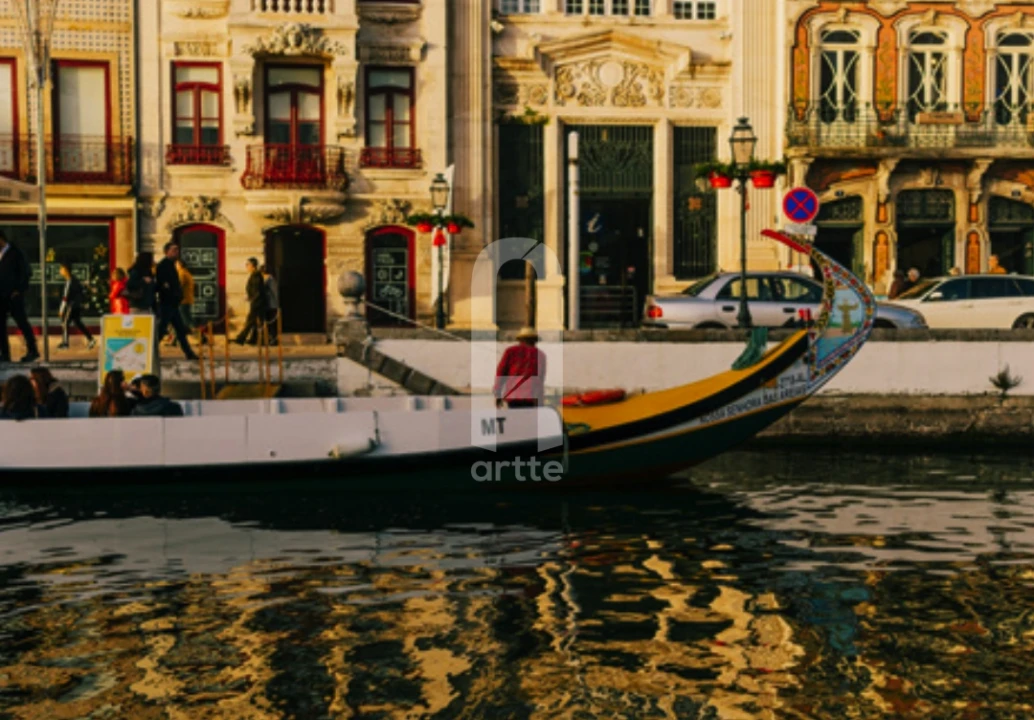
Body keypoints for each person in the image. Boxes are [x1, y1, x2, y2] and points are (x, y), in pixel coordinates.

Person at [0, 230, 41, 363]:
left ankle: (33, 350)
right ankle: (5, 354)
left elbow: (26, 272)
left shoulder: (15, 253)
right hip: (1, 296)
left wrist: (19, 290)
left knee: (22, 322)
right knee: (1, 325)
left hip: (13, 295)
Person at [155, 243, 198, 360]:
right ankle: (150, 352)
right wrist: (172, 292)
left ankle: (189, 353)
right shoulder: (163, 265)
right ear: (167, 252)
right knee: (161, 330)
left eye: (177, 250)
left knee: (180, 329)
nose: (177, 252)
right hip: (167, 303)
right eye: (174, 250)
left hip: (173, 304)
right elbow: (163, 284)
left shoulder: (172, 265)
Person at [493, 326, 546, 408]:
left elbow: (501, 372)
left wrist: (498, 393)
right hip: (532, 396)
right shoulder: (541, 355)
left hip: (514, 395)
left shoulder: (510, 351)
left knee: (515, 415)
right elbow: (540, 379)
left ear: (520, 340)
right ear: (535, 340)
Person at [57, 263, 96, 351]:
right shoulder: (75, 280)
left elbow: (65, 297)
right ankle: (91, 339)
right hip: (76, 305)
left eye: (61, 269)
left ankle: (65, 343)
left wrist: (61, 309)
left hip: (71, 305)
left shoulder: (70, 281)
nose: (60, 271)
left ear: (66, 270)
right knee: (78, 322)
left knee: (65, 323)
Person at [235, 258, 267, 346]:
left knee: (250, 321)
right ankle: (254, 339)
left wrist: (253, 300)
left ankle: (241, 338)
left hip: (257, 303)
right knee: (256, 323)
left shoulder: (256, 276)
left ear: (253, 266)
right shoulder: (255, 275)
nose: (246, 267)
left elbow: (257, 291)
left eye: (248, 265)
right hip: (257, 302)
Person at [166, 258, 196, 346]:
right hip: (185, 300)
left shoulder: (182, 273)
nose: (175, 266)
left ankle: (199, 337)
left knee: (187, 320)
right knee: (178, 321)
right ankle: (174, 340)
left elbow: (178, 286)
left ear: (180, 265)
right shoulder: (187, 273)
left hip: (183, 301)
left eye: (176, 264)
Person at [260, 264, 279, 345]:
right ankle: (267, 339)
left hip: (271, 305)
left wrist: (276, 304)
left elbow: (274, 292)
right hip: (266, 305)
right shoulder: (264, 279)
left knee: (271, 324)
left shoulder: (270, 279)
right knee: (266, 323)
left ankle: (273, 339)